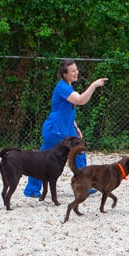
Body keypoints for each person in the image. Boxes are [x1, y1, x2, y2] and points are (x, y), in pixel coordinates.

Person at [24, 59, 108, 198]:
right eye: (73, 71)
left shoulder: (67, 87)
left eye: (76, 69)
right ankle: (32, 189)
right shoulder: (62, 87)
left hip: (66, 129)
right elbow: (80, 100)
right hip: (55, 130)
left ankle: (84, 185)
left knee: (79, 153)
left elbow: (65, 110)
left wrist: (75, 126)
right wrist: (94, 85)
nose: (76, 73)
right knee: (42, 159)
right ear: (65, 74)